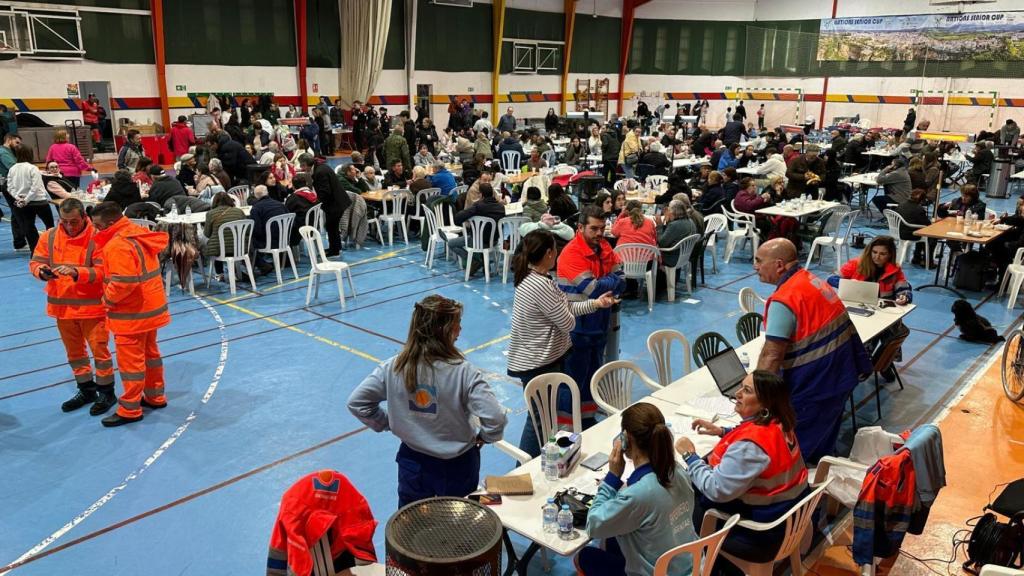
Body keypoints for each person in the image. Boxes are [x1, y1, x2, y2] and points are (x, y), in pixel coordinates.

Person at [347, 295, 507, 507]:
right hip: (457, 466)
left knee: (412, 524)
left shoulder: (393, 367)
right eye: (457, 324)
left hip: (412, 463)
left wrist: (389, 423)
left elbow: (357, 403)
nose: (460, 330)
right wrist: (485, 437)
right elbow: (495, 417)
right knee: (459, 525)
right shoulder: (463, 372)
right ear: (444, 331)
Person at [677, 371, 809, 574]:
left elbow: (716, 490)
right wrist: (723, 432)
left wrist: (690, 456)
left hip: (762, 536)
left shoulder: (751, 447)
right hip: (789, 518)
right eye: (741, 387)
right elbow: (755, 442)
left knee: (686, 494)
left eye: (746, 391)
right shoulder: (780, 422)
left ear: (765, 404)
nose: (737, 394)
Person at [752, 238, 871, 462]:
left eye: (759, 261)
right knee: (823, 445)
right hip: (841, 375)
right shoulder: (813, 281)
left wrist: (757, 396)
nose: (755, 266)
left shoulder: (784, 299)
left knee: (794, 456)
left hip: (814, 387)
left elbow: (772, 355)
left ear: (779, 265)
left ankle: (801, 493)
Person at [507, 230, 616, 456]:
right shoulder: (541, 285)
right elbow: (567, 321)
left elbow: (566, 308)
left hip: (536, 358)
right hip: (538, 362)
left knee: (542, 417)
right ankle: (524, 467)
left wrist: (596, 303)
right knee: (539, 420)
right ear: (549, 253)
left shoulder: (533, 278)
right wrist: (566, 307)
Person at [575, 402, 697, 576]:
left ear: (626, 439)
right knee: (611, 541)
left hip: (659, 572)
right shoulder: (677, 470)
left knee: (583, 556)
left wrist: (611, 479)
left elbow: (593, 526)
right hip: (689, 565)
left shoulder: (638, 495)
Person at [29, 198, 116, 415]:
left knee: (100, 352)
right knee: (75, 354)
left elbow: (104, 272)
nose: (69, 226)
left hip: (92, 309)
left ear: (84, 217)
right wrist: (41, 271)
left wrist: (78, 273)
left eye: (74, 222)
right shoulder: (49, 236)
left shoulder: (97, 238)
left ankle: (106, 392)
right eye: (64, 221)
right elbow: (35, 261)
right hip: (63, 308)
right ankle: (86, 389)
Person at [89, 202, 171, 427]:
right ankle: (155, 396)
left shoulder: (116, 245)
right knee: (151, 355)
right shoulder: (138, 234)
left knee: (130, 364)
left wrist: (107, 300)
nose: (96, 231)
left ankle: (130, 408)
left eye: (98, 226)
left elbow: (124, 282)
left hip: (131, 314)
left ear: (110, 223)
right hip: (150, 308)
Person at [557, 205, 626, 426]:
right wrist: (611, 280)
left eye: (602, 228)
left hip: (600, 325)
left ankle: (587, 421)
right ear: (580, 228)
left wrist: (609, 281)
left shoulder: (604, 247)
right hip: (577, 328)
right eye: (594, 229)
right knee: (573, 381)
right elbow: (591, 289)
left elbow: (623, 280)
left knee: (592, 378)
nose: (599, 233)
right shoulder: (571, 253)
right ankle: (566, 428)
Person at [831, 236, 912, 381]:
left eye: (882, 254)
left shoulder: (895, 270)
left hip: (882, 314)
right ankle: (869, 365)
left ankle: (881, 364)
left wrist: (904, 296)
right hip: (856, 312)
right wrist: (848, 282)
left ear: (890, 255)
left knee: (893, 332)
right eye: (874, 252)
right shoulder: (856, 264)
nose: (877, 257)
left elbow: (904, 288)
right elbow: (832, 279)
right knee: (867, 335)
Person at [449, 183, 505, 275]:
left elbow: (458, 218)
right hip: (494, 241)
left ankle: (475, 260)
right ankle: (480, 262)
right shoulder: (501, 207)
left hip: (478, 241)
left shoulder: (478, 206)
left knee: (451, 243)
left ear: (481, 194)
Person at [300, 154, 349, 257]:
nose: (301, 168)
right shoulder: (320, 167)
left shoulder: (320, 172)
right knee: (332, 226)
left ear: (306, 164)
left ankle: (334, 251)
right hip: (337, 201)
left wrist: (315, 202)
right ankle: (336, 247)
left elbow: (325, 192)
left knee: (331, 226)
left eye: (302, 165)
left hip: (335, 203)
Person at [7, 145, 54, 253]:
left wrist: (19, 198)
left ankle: (36, 252)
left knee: (29, 228)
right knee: (50, 226)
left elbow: (9, 187)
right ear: (30, 154)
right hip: (38, 202)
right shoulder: (32, 168)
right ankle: (52, 249)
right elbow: (35, 186)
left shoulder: (12, 169)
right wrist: (26, 199)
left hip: (24, 204)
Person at [203, 191, 247, 278]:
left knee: (216, 243)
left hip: (219, 250)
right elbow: (247, 230)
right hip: (239, 248)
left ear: (215, 202)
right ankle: (237, 271)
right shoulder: (239, 212)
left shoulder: (210, 214)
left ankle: (220, 273)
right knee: (227, 242)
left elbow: (207, 234)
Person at [895, 188, 933, 266]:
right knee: (931, 236)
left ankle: (917, 257)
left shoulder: (901, 204)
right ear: (922, 200)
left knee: (921, 231)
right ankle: (927, 261)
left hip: (898, 231)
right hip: (909, 234)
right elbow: (927, 225)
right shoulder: (919, 209)